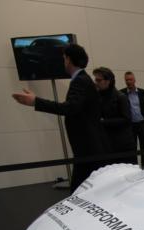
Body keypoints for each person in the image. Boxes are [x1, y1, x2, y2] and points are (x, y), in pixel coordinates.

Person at [12, 43, 105, 192]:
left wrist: (36, 101)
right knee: (84, 190)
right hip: (88, 145)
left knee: (79, 191)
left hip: (87, 146)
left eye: (64, 58)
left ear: (68, 59)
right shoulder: (83, 79)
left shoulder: (80, 80)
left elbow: (69, 108)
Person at [92, 67, 136, 165]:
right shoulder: (98, 97)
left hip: (122, 145)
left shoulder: (120, 97)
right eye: (95, 80)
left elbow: (126, 119)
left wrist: (103, 122)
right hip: (107, 144)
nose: (96, 83)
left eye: (99, 80)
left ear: (108, 81)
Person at [121, 72, 144, 165]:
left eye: (130, 79)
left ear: (134, 80)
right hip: (130, 126)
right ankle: (134, 167)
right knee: (132, 149)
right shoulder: (121, 93)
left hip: (143, 124)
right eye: (127, 80)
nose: (128, 82)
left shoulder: (143, 93)